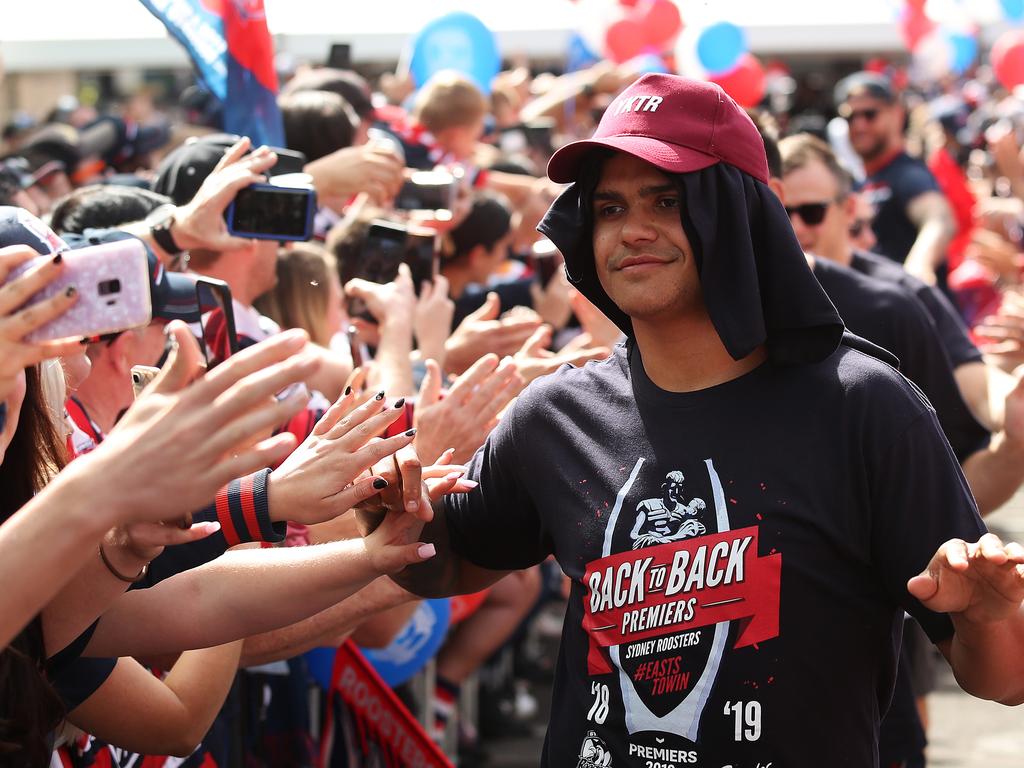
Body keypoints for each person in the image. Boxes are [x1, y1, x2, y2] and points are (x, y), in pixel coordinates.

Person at [357, 74, 1024, 766]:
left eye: (666, 201)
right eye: (609, 207)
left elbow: (1005, 677)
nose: (631, 230)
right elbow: (455, 557)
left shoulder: (865, 409)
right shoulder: (557, 415)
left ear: (735, 216)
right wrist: (391, 518)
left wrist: (987, 615)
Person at [835, 71, 955, 286]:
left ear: (897, 114)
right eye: (850, 117)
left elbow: (938, 219)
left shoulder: (908, 174)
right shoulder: (861, 183)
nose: (859, 125)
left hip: (915, 310)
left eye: (870, 114)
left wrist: (919, 266)